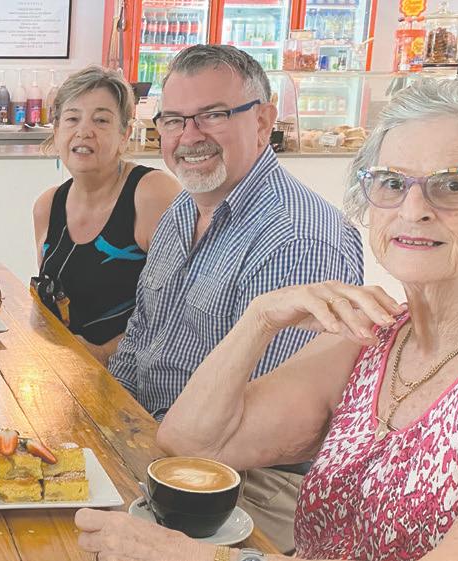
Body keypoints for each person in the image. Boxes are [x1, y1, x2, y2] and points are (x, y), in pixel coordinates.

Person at [74, 75, 458, 561]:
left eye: (453, 184)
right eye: (392, 183)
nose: (413, 210)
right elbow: (193, 442)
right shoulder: (376, 336)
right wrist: (261, 317)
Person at [103, 44, 363, 552]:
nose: (189, 136)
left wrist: (137, 456)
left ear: (263, 122)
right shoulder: (183, 208)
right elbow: (139, 341)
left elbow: (257, 430)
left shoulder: (299, 238)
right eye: (174, 120)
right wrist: (109, 425)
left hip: (244, 483)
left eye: (213, 115)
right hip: (154, 444)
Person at [31, 66, 180, 364]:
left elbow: (177, 310)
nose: (84, 131)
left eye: (101, 120)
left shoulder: (152, 193)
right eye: (72, 118)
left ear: (125, 134)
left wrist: (101, 354)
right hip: (66, 372)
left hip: (137, 377)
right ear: (57, 130)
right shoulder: (48, 205)